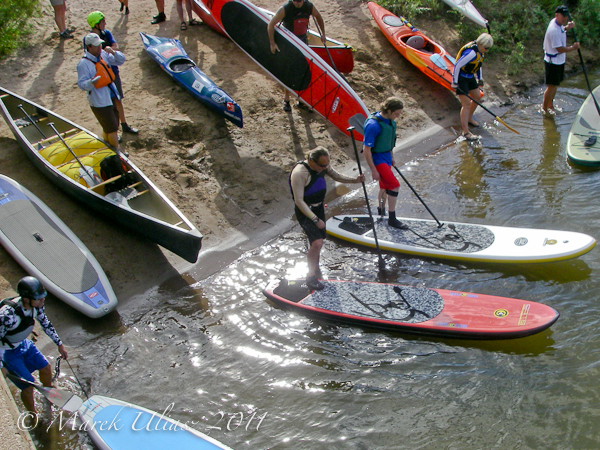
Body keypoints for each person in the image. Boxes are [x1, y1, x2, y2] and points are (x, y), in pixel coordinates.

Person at [290, 147, 365, 290]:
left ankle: (317, 269)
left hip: (318, 208)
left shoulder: (322, 165)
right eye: (322, 166)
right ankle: (310, 277)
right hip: (305, 211)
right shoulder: (299, 173)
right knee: (317, 243)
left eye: (326, 165)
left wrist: (355, 180)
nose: (324, 168)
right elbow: (299, 201)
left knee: (319, 240)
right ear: (311, 160)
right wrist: (315, 219)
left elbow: (336, 176)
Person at [1, 277, 68, 413]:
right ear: (26, 299)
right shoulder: (6, 316)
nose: (43, 301)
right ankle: (33, 414)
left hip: (23, 344)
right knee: (28, 385)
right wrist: (2, 366)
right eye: (39, 298)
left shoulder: (36, 305)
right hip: (7, 353)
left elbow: (45, 324)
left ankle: (49, 392)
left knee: (45, 368)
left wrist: (59, 344)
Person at [268, 0, 326, 112]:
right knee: (289, 72)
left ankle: (301, 101)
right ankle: (286, 100)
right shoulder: (285, 8)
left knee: (303, 72)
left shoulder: (309, 6)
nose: (297, 4)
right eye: (295, 1)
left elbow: (318, 17)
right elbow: (271, 24)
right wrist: (272, 43)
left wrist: (323, 33)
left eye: (299, 1)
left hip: (303, 42)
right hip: (288, 44)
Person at [87, 12, 138, 135]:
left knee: (118, 99)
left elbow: (115, 46)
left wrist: (108, 50)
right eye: (102, 21)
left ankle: (124, 124)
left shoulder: (106, 34)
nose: (105, 23)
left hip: (113, 72)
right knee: (108, 104)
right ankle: (114, 130)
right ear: (96, 24)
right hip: (102, 75)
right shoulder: (90, 39)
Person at [362, 97, 408, 230]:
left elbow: (390, 140)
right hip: (377, 159)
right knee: (394, 185)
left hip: (386, 156)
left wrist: (392, 156)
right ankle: (392, 219)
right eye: (396, 113)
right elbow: (366, 150)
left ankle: (381, 212)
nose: (398, 116)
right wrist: (373, 170)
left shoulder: (390, 120)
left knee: (384, 186)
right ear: (388, 110)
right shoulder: (373, 125)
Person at [77, 33, 126, 152]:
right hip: (99, 101)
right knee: (112, 129)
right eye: (96, 46)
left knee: (111, 126)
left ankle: (107, 147)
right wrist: (91, 82)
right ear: (89, 47)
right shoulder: (83, 64)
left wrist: (113, 52)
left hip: (111, 96)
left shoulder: (103, 54)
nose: (99, 48)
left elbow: (120, 60)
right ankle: (117, 153)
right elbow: (82, 84)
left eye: (100, 45)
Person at [451, 33, 493, 141]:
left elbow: (478, 65)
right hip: (461, 77)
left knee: (477, 97)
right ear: (480, 44)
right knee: (466, 104)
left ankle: (469, 118)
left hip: (470, 77)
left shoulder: (480, 52)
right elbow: (458, 65)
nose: (487, 50)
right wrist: (455, 82)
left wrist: (480, 79)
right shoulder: (471, 53)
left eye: (488, 48)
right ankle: (465, 132)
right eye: (486, 48)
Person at [542, 6, 580, 113]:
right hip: (553, 62)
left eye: (566, 16)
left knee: (555, 84)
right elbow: (559, 49)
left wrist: (567, 27)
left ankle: (550, 105)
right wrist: (573, 48)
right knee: (551, 86)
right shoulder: (553, 30)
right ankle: (544, 109)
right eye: (563, 16)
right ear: (556, 15)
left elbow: (561, 31)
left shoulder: (558, 24)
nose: (565, 18)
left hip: (559, 61)